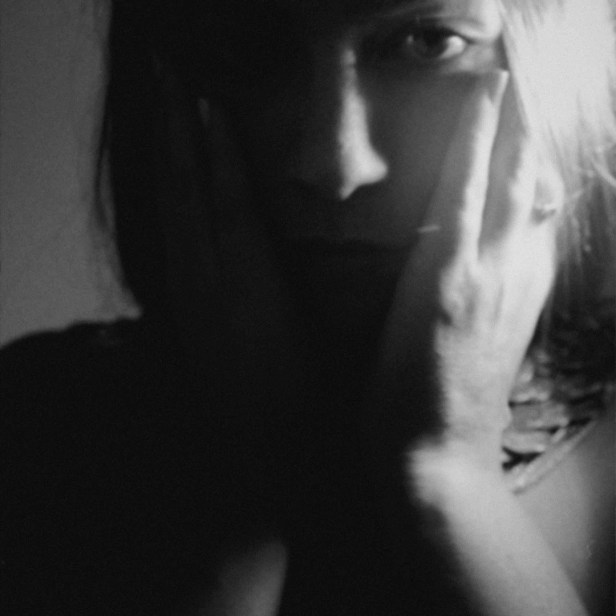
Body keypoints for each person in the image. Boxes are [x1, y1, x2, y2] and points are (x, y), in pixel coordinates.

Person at [1, 0, 614, 614]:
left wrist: (448, 475)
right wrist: (263, 463)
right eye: (246, 52)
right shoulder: (34, 434)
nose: (336, 166)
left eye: (427, 43)